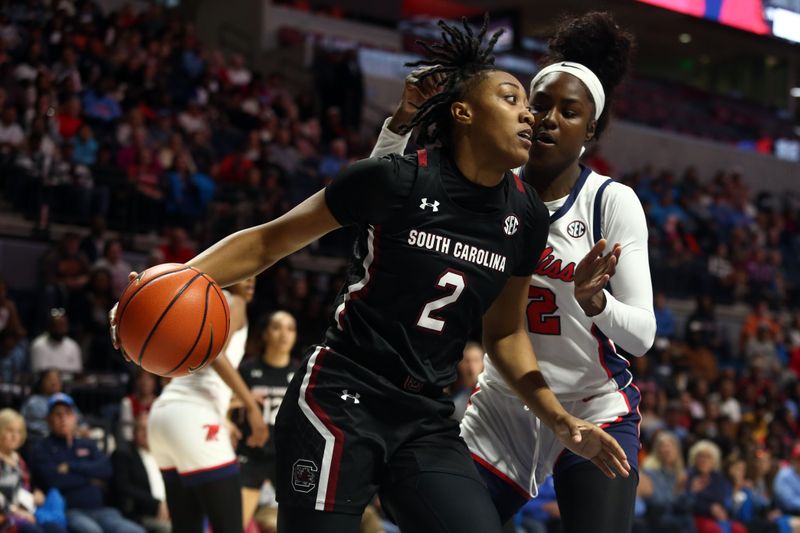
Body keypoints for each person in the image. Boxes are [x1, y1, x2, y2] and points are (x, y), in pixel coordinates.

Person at [111, 16, 629, 533]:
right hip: (342, 393)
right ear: (463, 112)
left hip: (423, 416)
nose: (529, 117)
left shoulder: (526, 216)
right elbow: (271, 239)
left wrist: (560, 420)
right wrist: (169, 281)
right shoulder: (399, 179)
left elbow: (507, 332)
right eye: (512, 99)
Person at [370, 11, 651, 533]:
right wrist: (399, 127)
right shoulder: (491, 186)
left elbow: (643, 335)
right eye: (538, 104)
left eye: (568, 112)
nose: (547, 119)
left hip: (594, 404)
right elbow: (377, 198)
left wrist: (599, 305)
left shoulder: (611, 202)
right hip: (508, 399)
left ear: (590, 129)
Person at [146, 278, 267, 533]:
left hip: (163, 416)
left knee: (186, 528)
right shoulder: (233, 302)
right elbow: (215, 355)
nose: (250, 279)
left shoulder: (204, 300)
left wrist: (224, 411)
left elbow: (185, 371)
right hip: (193, 416)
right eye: (244, 272)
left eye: (254, 273)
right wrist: (251, 408)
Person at [28, 393, 145, 533]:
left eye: (67, 413)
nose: (63, 418)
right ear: (48, 420)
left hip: (102, 510)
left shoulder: (87, 444)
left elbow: (106, 469)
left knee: (135, 531)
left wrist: (71, 467)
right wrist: (90, 478)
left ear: (75, 417)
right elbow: (53, 480)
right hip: (69, 511)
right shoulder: (41, 448)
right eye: (57, 414)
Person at [233, 310, 297, 528]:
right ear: (265, 334)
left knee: (294, 525)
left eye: (290, 328)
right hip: (252, 454)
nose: (284, 334)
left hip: (287, 458)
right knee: (234, 525)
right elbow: (223, 406)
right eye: (277, 327)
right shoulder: (247, 369)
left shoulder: (302, 372)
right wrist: (241, 401)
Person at [0, 408, 67, 533]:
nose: (15, 436)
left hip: (25, 511)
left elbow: (23, 488)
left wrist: (35, 495)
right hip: (5, 515)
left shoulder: (19, 460)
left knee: (56, 529)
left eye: (18, 431)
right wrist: (16, 511)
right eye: (9, 431)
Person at [111, 413, 171, 533]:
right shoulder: (124, 455)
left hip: (170, 510)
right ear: (134, 433)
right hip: (142, 514)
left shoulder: (164, 455)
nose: (146, 433)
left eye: (150, 429)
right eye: (142, 429)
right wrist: (157, 504)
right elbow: (124, 487)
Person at [29, 309, 82, 376]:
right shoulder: (39, 345)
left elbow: (77, 373)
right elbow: (39, 374)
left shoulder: (73, 345)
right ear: (50, 326)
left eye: (63, 326)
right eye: (57, 325)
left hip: (70, 385)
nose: (61, 329)